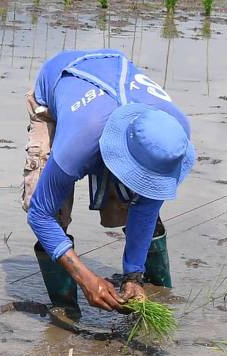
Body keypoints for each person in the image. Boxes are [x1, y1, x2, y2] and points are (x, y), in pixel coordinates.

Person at [22, 49, 195, 322]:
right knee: (54, 213)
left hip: (113, 75)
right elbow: (39, 214)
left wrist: (133, 276)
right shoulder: (78, 143)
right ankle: (65, 311)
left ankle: (151, 283)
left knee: (132, 197)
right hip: (59, 91)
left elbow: (148, 202)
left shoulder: (172, 136)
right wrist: (86, 279)